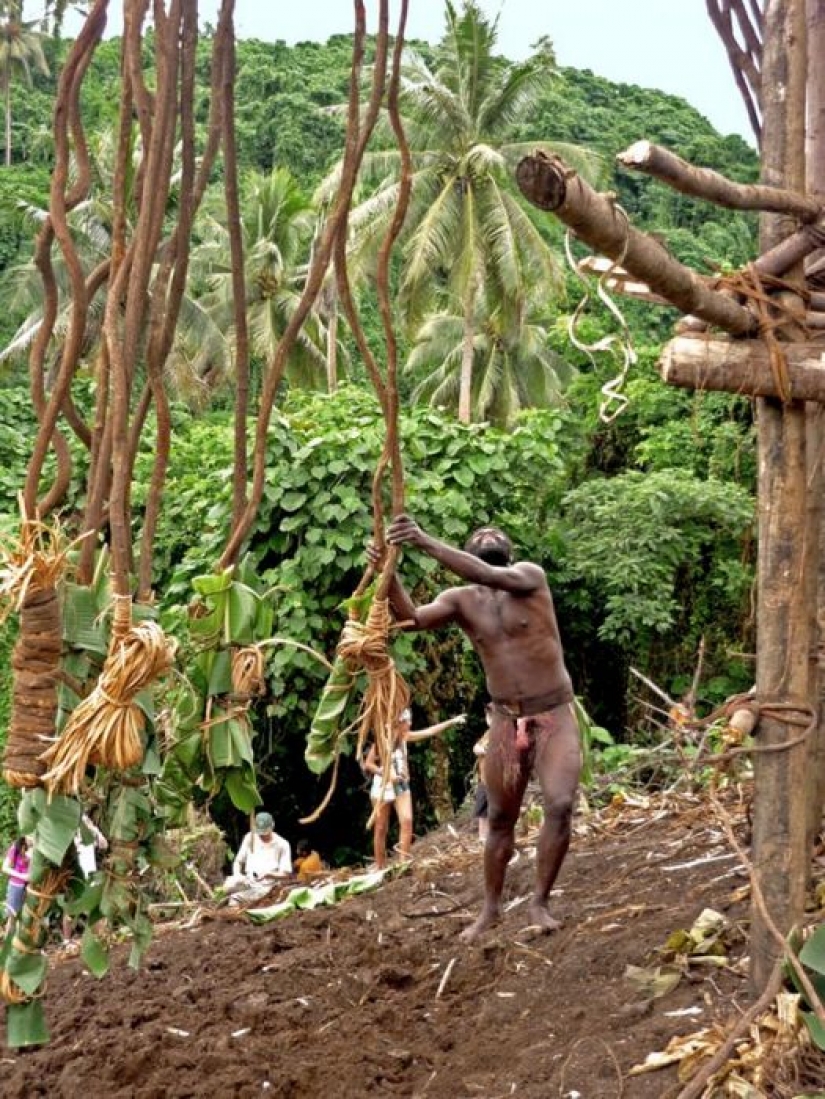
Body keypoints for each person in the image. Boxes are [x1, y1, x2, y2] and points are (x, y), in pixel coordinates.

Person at [368, 515, 581, 941]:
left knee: (559, 804)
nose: (488, 536)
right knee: (499, 816)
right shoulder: (461, 600)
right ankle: (490, 910)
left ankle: (539, 903)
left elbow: (485, 573)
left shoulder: (529, 577)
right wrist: (385, 574)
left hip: (552, 714)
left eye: (495, 535)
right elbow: (411, 620)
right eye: (479, 537)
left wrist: (424, 541)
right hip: (505, 720)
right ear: (467, 552)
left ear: (509, 552)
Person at [363, 707, 466, 869]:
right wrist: (383, 772)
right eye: (407, 721)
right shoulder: (382, 741)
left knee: (407, 820)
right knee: (381, 827)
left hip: (401, 784)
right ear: (399, 723)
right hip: (383, 787)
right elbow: (368, 764)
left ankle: (403, 863)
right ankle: (380, 865)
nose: (410, 724)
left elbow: (429, 731)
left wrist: (452, 721)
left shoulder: (405, 736)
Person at [63, 814, 108, 942]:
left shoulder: (90, 835)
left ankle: (97, 937)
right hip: (76, 876)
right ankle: (66, 940)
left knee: (94, 907)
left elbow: (104, 845)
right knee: (71, 906)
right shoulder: (71, 835)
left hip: (91, 875)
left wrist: (94, 830)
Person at [225, 811, 292, 893]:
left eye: (265, 833)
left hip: (269, 887)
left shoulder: (282, 844)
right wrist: (237, 875)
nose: (262, 835)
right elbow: (238, 861)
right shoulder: (250, 837)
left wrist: (268, 874)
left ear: (272, 827)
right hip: (248, 883)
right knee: (228, 886)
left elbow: (286, 874)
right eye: (260, 833)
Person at [3, 836, 32, 935]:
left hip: (28, 888)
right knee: (12, 917)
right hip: (15, 886)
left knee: (23, 917)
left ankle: (17, 941)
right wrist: (21, 876)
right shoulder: (15, 847)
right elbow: (5, 868)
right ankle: (7, 940)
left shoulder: (34, 849)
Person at [472, 707, 492, 844]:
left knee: (493, 810)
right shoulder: (487, 733)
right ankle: (482, 837)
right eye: (488, 716)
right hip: (484, 780)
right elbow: (476, 748)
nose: (490, 719)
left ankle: (491, 837)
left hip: (495, 781)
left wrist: (483, 750)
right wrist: (480, 749)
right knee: (482, 811)